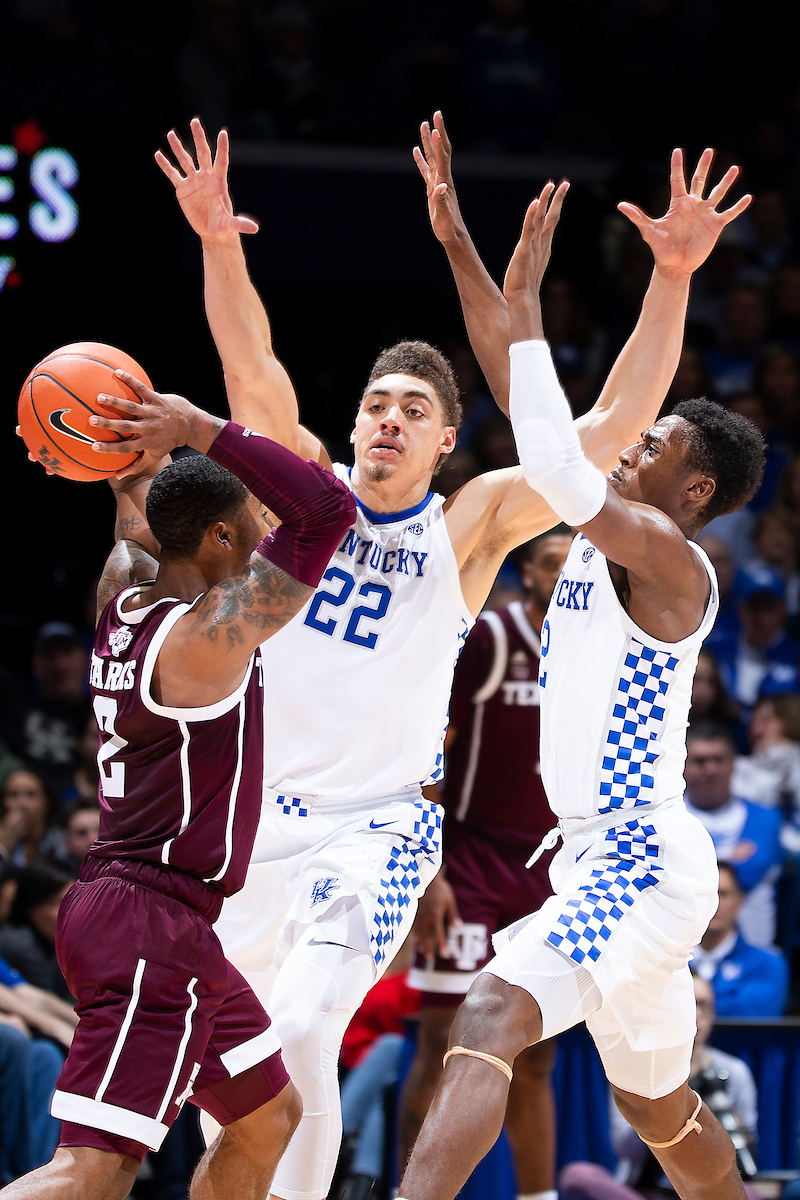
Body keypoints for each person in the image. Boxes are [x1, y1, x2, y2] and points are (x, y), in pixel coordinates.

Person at [155, 114, 753, 1200]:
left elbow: (617, 417)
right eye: (377, 403)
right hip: (248, 822)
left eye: (415, 410)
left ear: (442, 442)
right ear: (351, 423)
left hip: (374, 826)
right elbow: (249, 364)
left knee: (301, 1028)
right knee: (232, 1091)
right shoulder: (301, 494)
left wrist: (667, 279)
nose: (389, 419)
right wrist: (215, 237)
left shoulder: (465, 524)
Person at [396, 173, 764, 1200]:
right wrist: (466, 254)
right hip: (607, 857)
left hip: (637, 856)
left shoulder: (665, 556)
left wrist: (532, 309)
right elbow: (533, 413)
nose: (633, 443)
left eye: (653, 446)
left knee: (489, 1012)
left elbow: (553, 451)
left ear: (691, 491)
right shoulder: (607, 539)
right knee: (654, 1107)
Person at [1, 387, 355, 1200]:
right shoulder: (203, 642)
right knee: (92, 1172)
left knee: (267, 1117)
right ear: (224, 536)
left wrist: (107, 442)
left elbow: (139, 509)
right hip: (149, 927)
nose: (269, 534)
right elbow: (327, 509)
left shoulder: (120, 598)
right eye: (255, 524)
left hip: (152, 917)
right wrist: (197, 428)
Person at [399, 526, 573, 1200]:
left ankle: (539, 1196)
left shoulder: (593, 648)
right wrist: (429, 870)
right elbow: (426, 745)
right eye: (551, 566)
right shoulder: (493, 639)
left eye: (574, 568)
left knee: (534, 1055)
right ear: (527, 574)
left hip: (548, 871)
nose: (564, 579)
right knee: (443, 1041)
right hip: (470, 860)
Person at [559, 976, 759, 1200]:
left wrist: (719, 1120)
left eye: (702, 1005)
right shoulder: (637, 1067)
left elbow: (747, 1146)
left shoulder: (734, 1071)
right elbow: (624, 1147)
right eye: (689, 1003)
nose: (696, 1013)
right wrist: (663, 1109)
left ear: (712, 1013)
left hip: (707, 1188)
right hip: (646, 1189)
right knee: (577, 1176)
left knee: (748, 1193)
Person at [683, 722, 782, 947]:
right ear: (683, 765)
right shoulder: (668, 819)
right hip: (681, 952)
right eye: (700, 761)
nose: (710, 769)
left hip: (752, 954)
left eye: (718, 760)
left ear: (734, 765)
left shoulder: (764, 818)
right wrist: (730, 856)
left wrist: (689, 861)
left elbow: (749, 873)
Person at [0, 624, 91, 796]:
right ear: (36, 664)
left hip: (75, 806)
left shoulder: (96, 714)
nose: (60, 665)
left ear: (84, 658)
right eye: (50, 656)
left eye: (67, 653)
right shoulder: (13, 699)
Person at [691, 863, 788, 1017]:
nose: (715, 903)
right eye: (707, 895)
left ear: (740, 901)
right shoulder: (665, 959)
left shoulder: (767, 963)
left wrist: (685, 1006)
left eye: (724, 894)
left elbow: (754, 1014)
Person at [0, 767, 64, 866]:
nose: (21, 804)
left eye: (31, 795)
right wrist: (3, 846)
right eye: (13, 795)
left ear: (47, 801)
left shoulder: (63, 841)